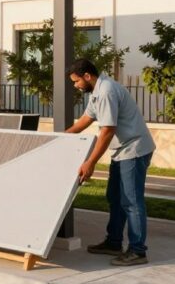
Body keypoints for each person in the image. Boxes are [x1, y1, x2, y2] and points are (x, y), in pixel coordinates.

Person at [65, 58, 156, 266]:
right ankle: (114, 242)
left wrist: (90, 162)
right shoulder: (96, 92)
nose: (76, 86)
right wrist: (64, 136)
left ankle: (138, 251)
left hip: (134, 149)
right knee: (115, 197)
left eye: (76, 81)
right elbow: (86, 119)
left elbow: (107, 131)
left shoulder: (106, 91)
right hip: (122, 150)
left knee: (131, 201)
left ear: (87, 76)